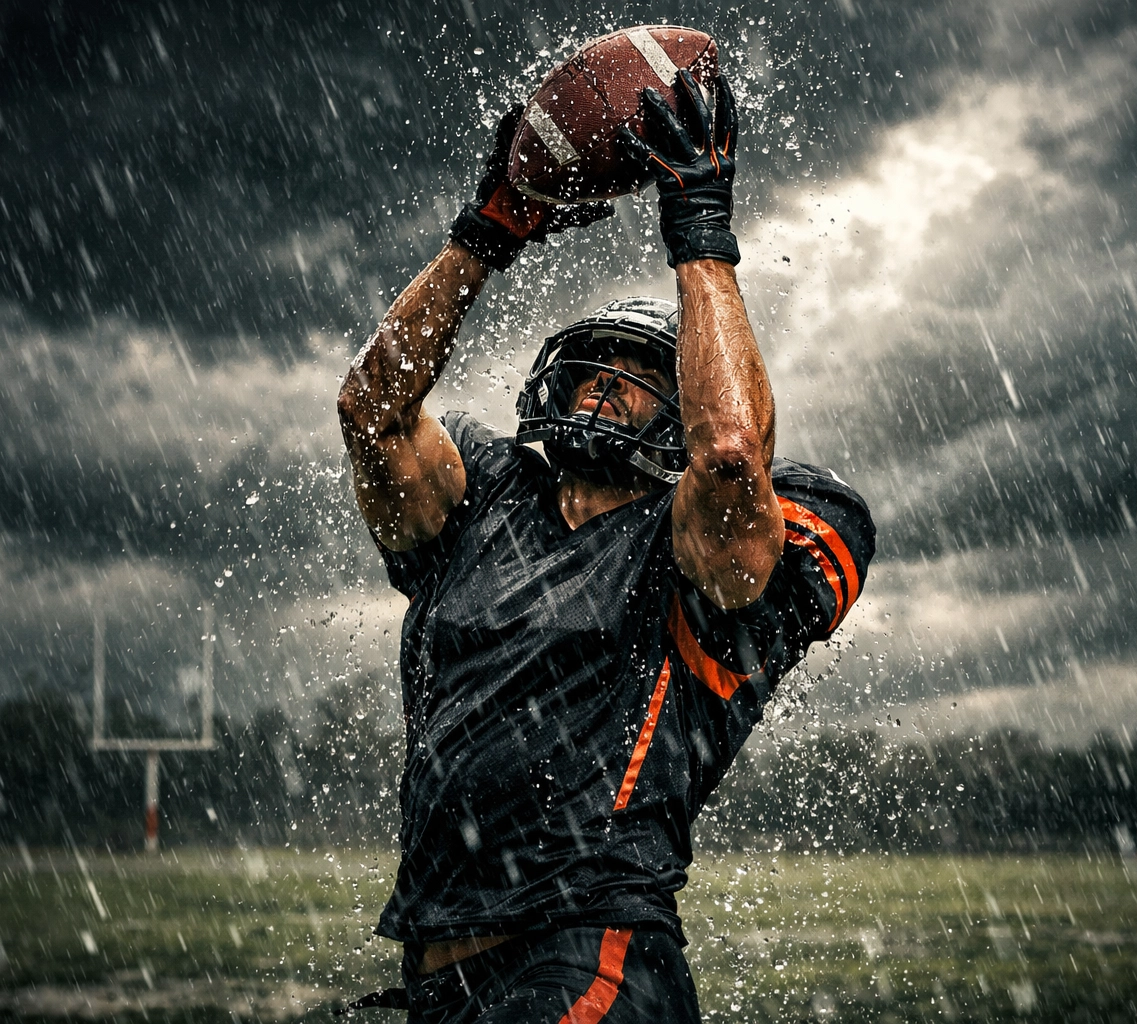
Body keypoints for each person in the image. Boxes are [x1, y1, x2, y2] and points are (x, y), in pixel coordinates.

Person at [337, 71, 875, 1024]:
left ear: (686, 395)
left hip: (592, 947)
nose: (602, 388)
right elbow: (371, 412)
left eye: (637, 375)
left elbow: (728, 454)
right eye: (593, 366)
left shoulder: (725, 529)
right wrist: (484, 235)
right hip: (436, 962)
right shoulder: (491, 490)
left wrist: (701, 238)